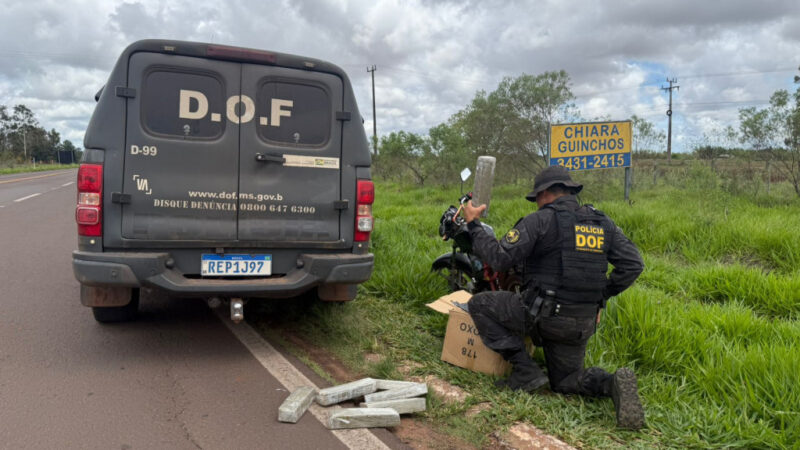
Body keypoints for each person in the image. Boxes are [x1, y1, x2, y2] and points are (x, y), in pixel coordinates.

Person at [461, 165, 646, 429]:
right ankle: (609, 383)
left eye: (537, 197)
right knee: (567, 381)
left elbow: (500, 259)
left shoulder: (540, 220)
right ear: (569, 191)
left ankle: (524, 369)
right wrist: (600, 297)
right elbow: (633, 265)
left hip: (542, 317)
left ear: (546, 193)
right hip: (580, 323)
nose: (536, 203)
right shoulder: (602, 222)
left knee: (479, 303)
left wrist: (474, 225)